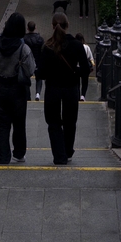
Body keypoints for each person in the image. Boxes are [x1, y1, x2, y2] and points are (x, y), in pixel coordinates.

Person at [36, 11, 91, 165]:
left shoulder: (48, 46)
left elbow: (41, 73)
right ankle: (68, 150)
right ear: (68, 26)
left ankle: (59, 155)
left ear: (53, 26)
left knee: (53, 122)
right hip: (71, 88)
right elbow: (86, 70)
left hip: (53, 88)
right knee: (70, 121)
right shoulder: (77, 45)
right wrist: (75, 71)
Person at [0, 12, 36, 164]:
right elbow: (31, 70)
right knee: (19, 123)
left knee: (2, 124)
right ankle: (19, 153)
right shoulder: (24, 49)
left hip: (0, 89)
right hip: (18, 90)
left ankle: (2, 156)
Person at [23, 20, 45, 101]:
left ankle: (28, 95)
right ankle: (38, 93)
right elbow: (43, 51)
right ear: (35, 28)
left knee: (26, 77)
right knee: (38, 78)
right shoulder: (40, 39)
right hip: (38, 61)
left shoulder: (24, 39)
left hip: (27, 62)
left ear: (27, 28)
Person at [75, 33, 94, 101]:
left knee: (77, 82)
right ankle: (82, 96)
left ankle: (77, 95)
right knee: (84, 82)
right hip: (85, 67)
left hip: (76, 67)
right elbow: (91, 58)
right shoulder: (87, 47)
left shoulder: (75, 46)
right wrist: (92, 65)